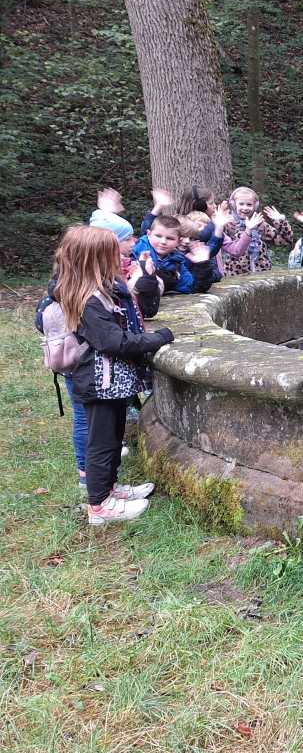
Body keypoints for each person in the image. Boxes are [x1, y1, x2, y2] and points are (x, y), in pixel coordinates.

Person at [53, 225, 173, 524]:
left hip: (112, 382)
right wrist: (158, 338)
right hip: (99, 383)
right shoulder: (87, 300)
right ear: (94, 259)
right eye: (113, 254)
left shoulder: (100, 291)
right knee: (102, 443)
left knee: (113, 437)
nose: (120, 258)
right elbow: (113, 342)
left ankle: (110, 489)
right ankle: (99, 507)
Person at [221, 186, 293, 275]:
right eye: (241, 204)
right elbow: (215, 242)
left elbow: (285, 241)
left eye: (249, 204)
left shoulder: (259, 223)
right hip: (235, 274)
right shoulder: (228, 223)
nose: (245, 208)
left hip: (261, 272)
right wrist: (218, 224)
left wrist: (281, 221)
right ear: (234, 204)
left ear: (255, 206)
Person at [133, 214, 195, 294]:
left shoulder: (177, 260)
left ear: (179, 241)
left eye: (170, 238)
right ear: (148, 234)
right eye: (158, 236)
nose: (163, 242)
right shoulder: (136, 252)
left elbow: (190, 286)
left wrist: (202, 264)